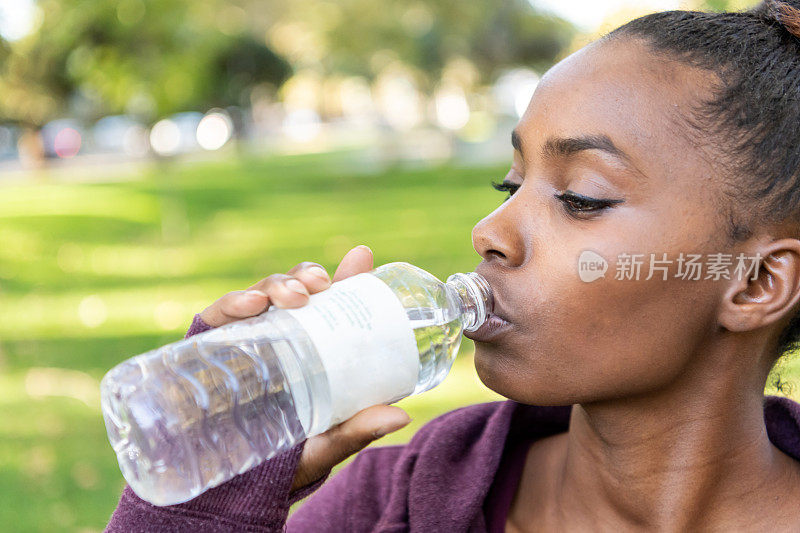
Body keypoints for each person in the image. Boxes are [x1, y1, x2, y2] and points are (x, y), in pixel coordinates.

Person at [106, 0, 800, 530]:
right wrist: (206, 490)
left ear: (758, 282)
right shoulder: (395, 502)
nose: (490, 231)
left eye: (580, 197)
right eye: (509, 183)